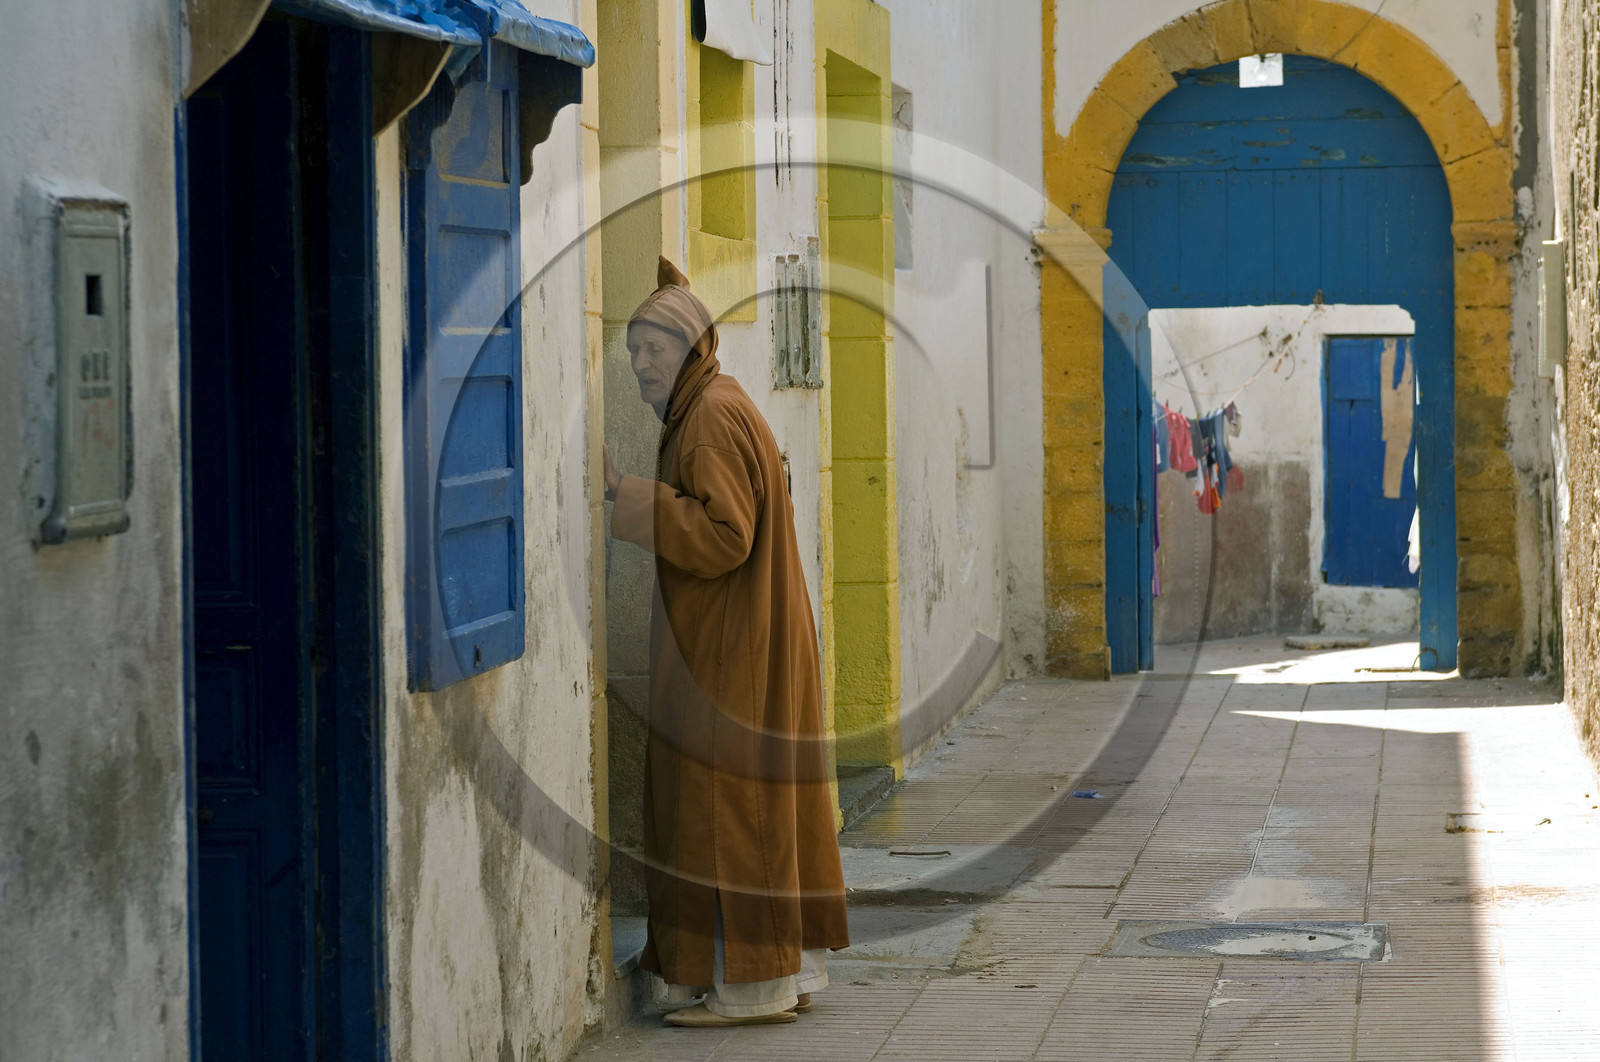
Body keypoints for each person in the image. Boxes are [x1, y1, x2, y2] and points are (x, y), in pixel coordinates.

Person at [604, 258, 849, 1027]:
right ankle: (777, 969)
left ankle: (751, 987)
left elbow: (723, 534)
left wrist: (625, 498)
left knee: (724, 811)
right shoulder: (717, 400)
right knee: (750, 810)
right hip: (748, 640)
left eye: (654, 349)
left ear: (689, 348)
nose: (641, 364)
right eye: (634, 350)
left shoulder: (706, 418)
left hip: (728, 656)